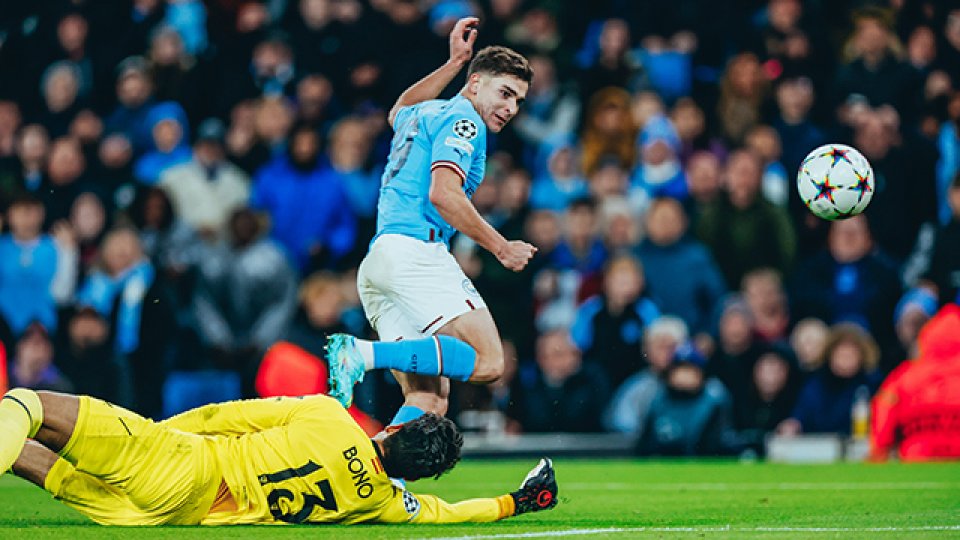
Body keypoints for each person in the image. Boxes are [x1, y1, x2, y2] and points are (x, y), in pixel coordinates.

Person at [325, 18, 536, 429]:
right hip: (415, 253)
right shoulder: (465, 122)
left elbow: (396, 110)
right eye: (505, 93)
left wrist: (455, 61)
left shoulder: (426, 113)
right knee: (490, 361)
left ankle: (380, 481)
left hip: (380, 262)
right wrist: (501, 247)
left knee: (428, 400)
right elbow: (444, 194)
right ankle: (362, 354)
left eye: (519, 101)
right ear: (475, 85)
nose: (511, 108)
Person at [0, 389, 558, 525]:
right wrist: (518, 501)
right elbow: (450, 513)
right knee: (46, 468)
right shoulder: (383, 503)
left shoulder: (326, 414)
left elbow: (222, 417)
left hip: (180, 465)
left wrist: (154, 438)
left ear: (395, 426)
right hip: (181, 517)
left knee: (24, 404)